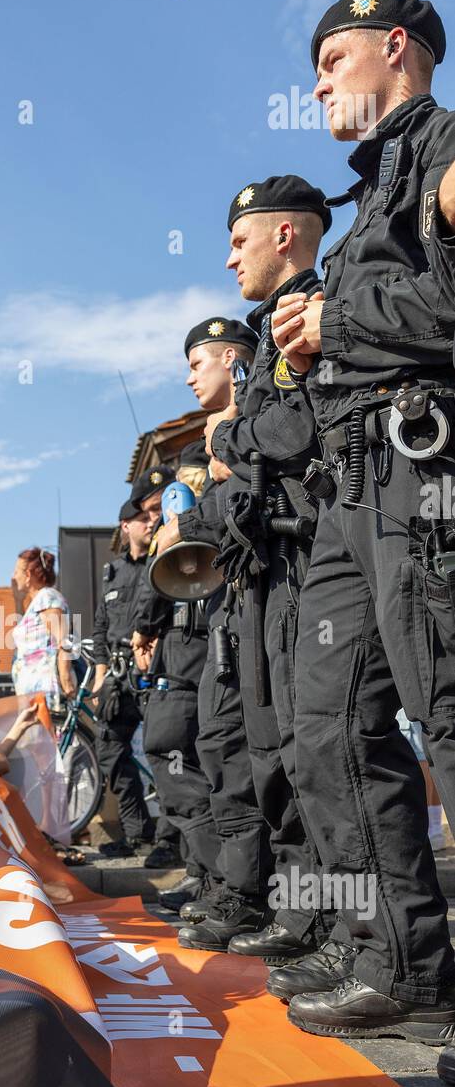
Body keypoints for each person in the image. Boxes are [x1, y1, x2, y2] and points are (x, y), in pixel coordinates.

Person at [271, 0, 455, 1069]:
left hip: (426, 474)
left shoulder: (442, 146)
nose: (315, 84)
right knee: (324, 724)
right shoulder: (365, 199)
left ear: (395, 47)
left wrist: (342, 321)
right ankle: (398, 963)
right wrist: (311, 349)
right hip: (354, 486)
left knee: (447, 707)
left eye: (330, 58)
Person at [183, 176, 338, 973]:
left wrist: (234, 436)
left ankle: (338, 926)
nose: (228, 256)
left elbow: (289, 431)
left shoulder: (307, 312)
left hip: (307, 559)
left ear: (283, 235)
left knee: (317, 746)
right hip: (263, 567)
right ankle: (300, 909)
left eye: (239, 240)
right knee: (271, 746)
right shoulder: (273, 336)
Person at [135, 319, 266, 921]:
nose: (189, 378)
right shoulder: (211, 449)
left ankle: (251, 895)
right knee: (219, 752)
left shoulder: (258, 425)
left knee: (248, 755)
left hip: (257, 615)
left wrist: (195, 513)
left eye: (197, 364)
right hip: (221, 620)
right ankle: (231, 890)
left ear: (232, 359)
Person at [91, 496, 171, 862]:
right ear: (125, 526)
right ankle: (138, 834)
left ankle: (172, 843)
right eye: (141, 518)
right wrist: (100, 675)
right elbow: (101, 627)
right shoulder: (112, 572)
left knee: (166, 755)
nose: (149, 522)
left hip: (157, 671)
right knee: (111, 751)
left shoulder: (164, 559)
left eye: (151, 516)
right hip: (119, 675)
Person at [10, 548, 76, 707]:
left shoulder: (47, 597)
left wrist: (66, 679)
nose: (13, 576)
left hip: (47, 691)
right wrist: (18, 601)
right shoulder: (39, 601)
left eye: (16, 571)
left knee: (50, 733)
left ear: (28, 575)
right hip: (34, 693)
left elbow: (64, 640)